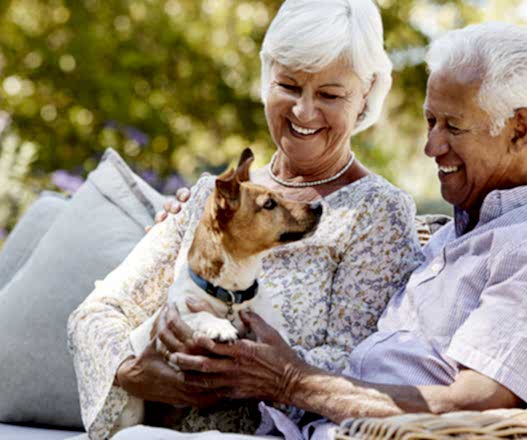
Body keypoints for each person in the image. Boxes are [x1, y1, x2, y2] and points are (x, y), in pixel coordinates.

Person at [161, 22, 527, 440]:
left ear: (519, 130)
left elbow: (473, 404)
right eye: (430, 121)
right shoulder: (466, 228)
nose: (430, 146)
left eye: (452, 126)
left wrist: (291, 380)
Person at [67, 1, 424, 439]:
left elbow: (361, 365)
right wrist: (133, 371)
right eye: (289, 86)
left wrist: (262, 371)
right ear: (265, 77)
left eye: (330, 95)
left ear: (366, 94)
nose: (304, 112)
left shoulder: (377, 214)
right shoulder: (212, 198)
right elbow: (98, 313)